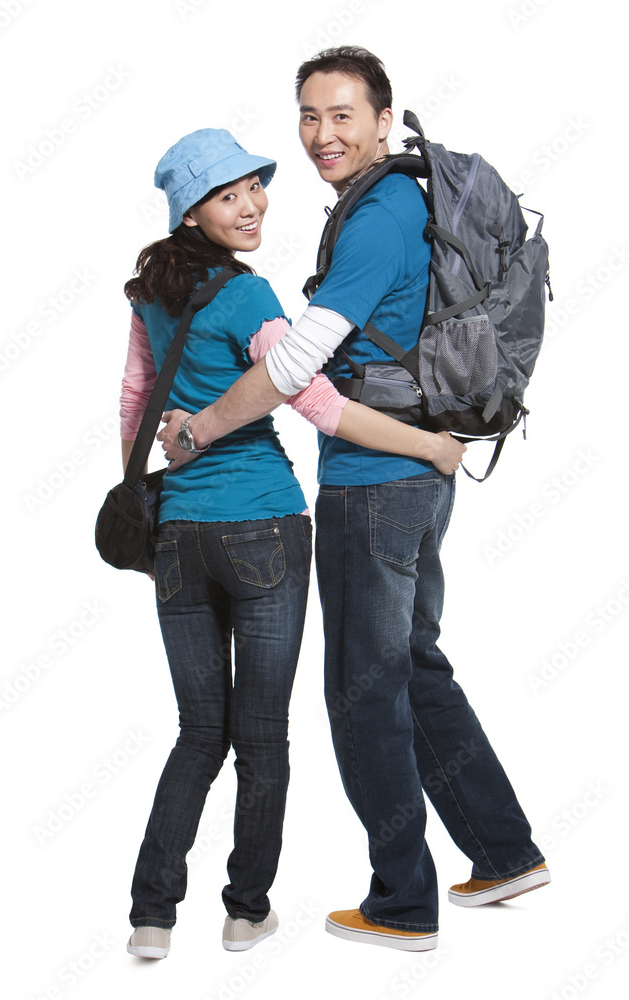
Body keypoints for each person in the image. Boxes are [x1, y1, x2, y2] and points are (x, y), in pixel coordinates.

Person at [157, 49, 550, 953]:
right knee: (411, 663)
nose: (321, 135)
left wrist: (203, 428)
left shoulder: (376, 219)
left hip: (374, 487)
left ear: (382, 120)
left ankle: (401, 903)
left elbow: (295, 362)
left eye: (341, 116)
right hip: (413, 472)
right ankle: (502, 852)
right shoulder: (397, 205)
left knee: (362, 689)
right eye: (307, 116)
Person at [120, 127, 466, 960]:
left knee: (197, 732)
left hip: (178, 536)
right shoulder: (248, 297)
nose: (249, 207)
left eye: (252, 188)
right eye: (227, 197)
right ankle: (246, 911)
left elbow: (136, 401)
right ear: (192, 212)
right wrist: (427, 445)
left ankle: (151, 918)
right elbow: (311, 401)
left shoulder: (148, 294)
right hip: (265, 528)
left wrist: (158, 498)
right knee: (262, 734)